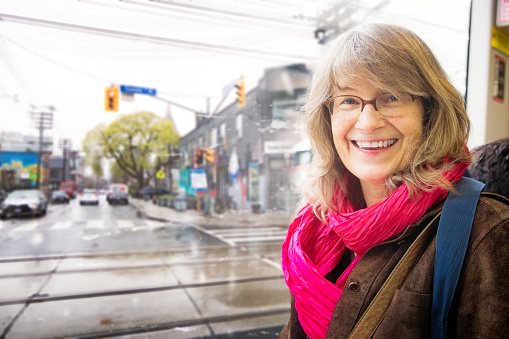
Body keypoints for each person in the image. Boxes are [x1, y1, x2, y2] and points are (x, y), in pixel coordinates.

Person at [280, 23, 509, 339]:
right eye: (348, 100)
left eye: (391, 97)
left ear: (429, 111)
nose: (369, 122)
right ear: (327, 116)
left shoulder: (486, 231)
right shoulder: (314, 227)